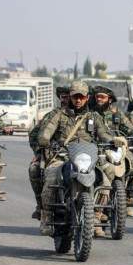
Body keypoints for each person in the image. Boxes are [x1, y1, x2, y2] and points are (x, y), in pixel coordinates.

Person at [36, 81, 121, 236]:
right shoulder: (59, 115)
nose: (78, 100)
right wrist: (46, 140)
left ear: (87, 98)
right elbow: (46, 133)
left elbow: (104, 134)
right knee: (51, 176)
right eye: (75, 97)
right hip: (63, 156)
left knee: (106, 180)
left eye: (81, 97)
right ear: (70, 97)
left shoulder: (93, 116)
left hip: (88, 158)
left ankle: (95, 217)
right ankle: (46, 217)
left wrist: (112, 141)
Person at [91, 85, 133, 218]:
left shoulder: (117, 114)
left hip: (117, 150)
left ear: (109, 99)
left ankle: (127, 198)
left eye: (103, 97)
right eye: (97, 97)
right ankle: (93, 207)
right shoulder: (90, 114)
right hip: (97, 149)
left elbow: (129, 128)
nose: (99, 99)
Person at [28, 86, 70, 220]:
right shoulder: (52, 115)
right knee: (34, 169)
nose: (67, 100)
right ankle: (41, 206)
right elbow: (35, 135)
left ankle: (99, 214)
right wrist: (39, 151)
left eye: (69, 96)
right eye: (64, 97)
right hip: (56, 154)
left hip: (82, 155)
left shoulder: (88, 116)